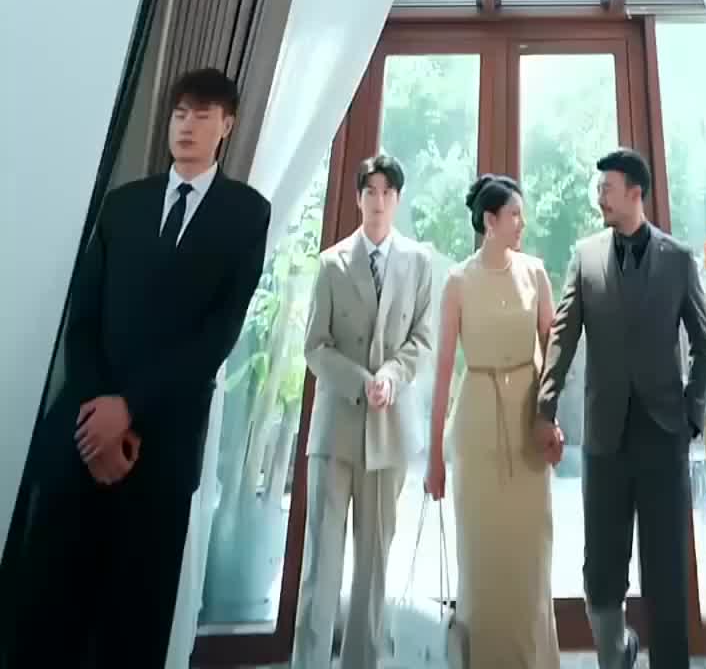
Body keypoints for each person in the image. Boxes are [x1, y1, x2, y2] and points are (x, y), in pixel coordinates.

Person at [13, 67, 270, 669]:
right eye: (179, 113)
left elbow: (218, 334)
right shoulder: (122, 204)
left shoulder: (246, 213)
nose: (186, 125)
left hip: (164, 443)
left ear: (227, 126)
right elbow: (83, 319)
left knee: (135, 621)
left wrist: (128, 410)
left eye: (201, 115)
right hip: (83, 433)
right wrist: (98, 413)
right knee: (47, 610)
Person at [535, 147, 706, 669]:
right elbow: (563, 336)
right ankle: (614, 657)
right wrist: (545, 407)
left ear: (636, 193)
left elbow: (705, 345)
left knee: (666, 569)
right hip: (604, 438)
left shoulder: (678, 258)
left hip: (664, 434)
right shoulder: (586, 256)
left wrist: (691, 414)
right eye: (599, 190)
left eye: (607, 189)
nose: (600, 198)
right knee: (601, 568)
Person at [293, 152, 434, 669]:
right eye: (369, 191)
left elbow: (422, 339)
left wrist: (391, 377)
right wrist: (362, 381)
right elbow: (315, 346)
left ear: (397, 199)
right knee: (322, 563)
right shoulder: (332, 263)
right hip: (336, 429)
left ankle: (362, 661)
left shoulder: (418, 262)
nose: (378, 201)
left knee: (374, 564)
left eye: (387, 192)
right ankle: (308, 662)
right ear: (357, 198)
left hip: (389, 433)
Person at [425, 174, 561, 669]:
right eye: (514, 215)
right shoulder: (458, 282)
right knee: (480, 556)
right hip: (476, 422)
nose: (521, 223)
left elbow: (554, 355)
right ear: (489, 221)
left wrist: (550, 419)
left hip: (527, 423)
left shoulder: (536, 273)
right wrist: (434, 455)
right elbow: (444, 371)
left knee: (531, 552)